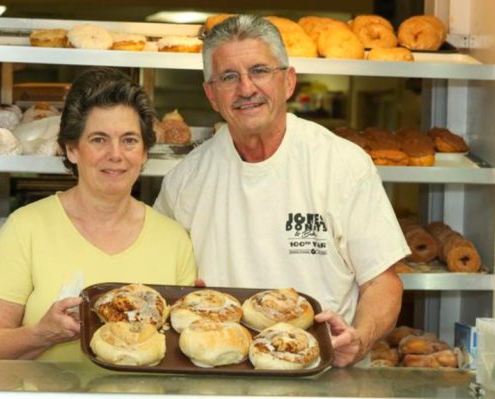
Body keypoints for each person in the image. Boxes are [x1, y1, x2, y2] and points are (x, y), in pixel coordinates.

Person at [154, 15, 410, 367]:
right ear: (212, 95)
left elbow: (382, 282)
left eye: (259, 71)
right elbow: (162, 284)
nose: (246, 89)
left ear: (288, 81)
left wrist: (361, 338)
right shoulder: (185, 180)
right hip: (219, 377)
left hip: (323, 376)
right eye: (229, 77)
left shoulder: (343, 164)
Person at [0, 67, 197, 361]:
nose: (115, 154)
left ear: (145, 152)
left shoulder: (173, 239)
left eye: (129, 140)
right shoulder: (27, 228)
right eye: (99, 139)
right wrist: (42, 333)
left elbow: (181, 352)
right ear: (72, 149)